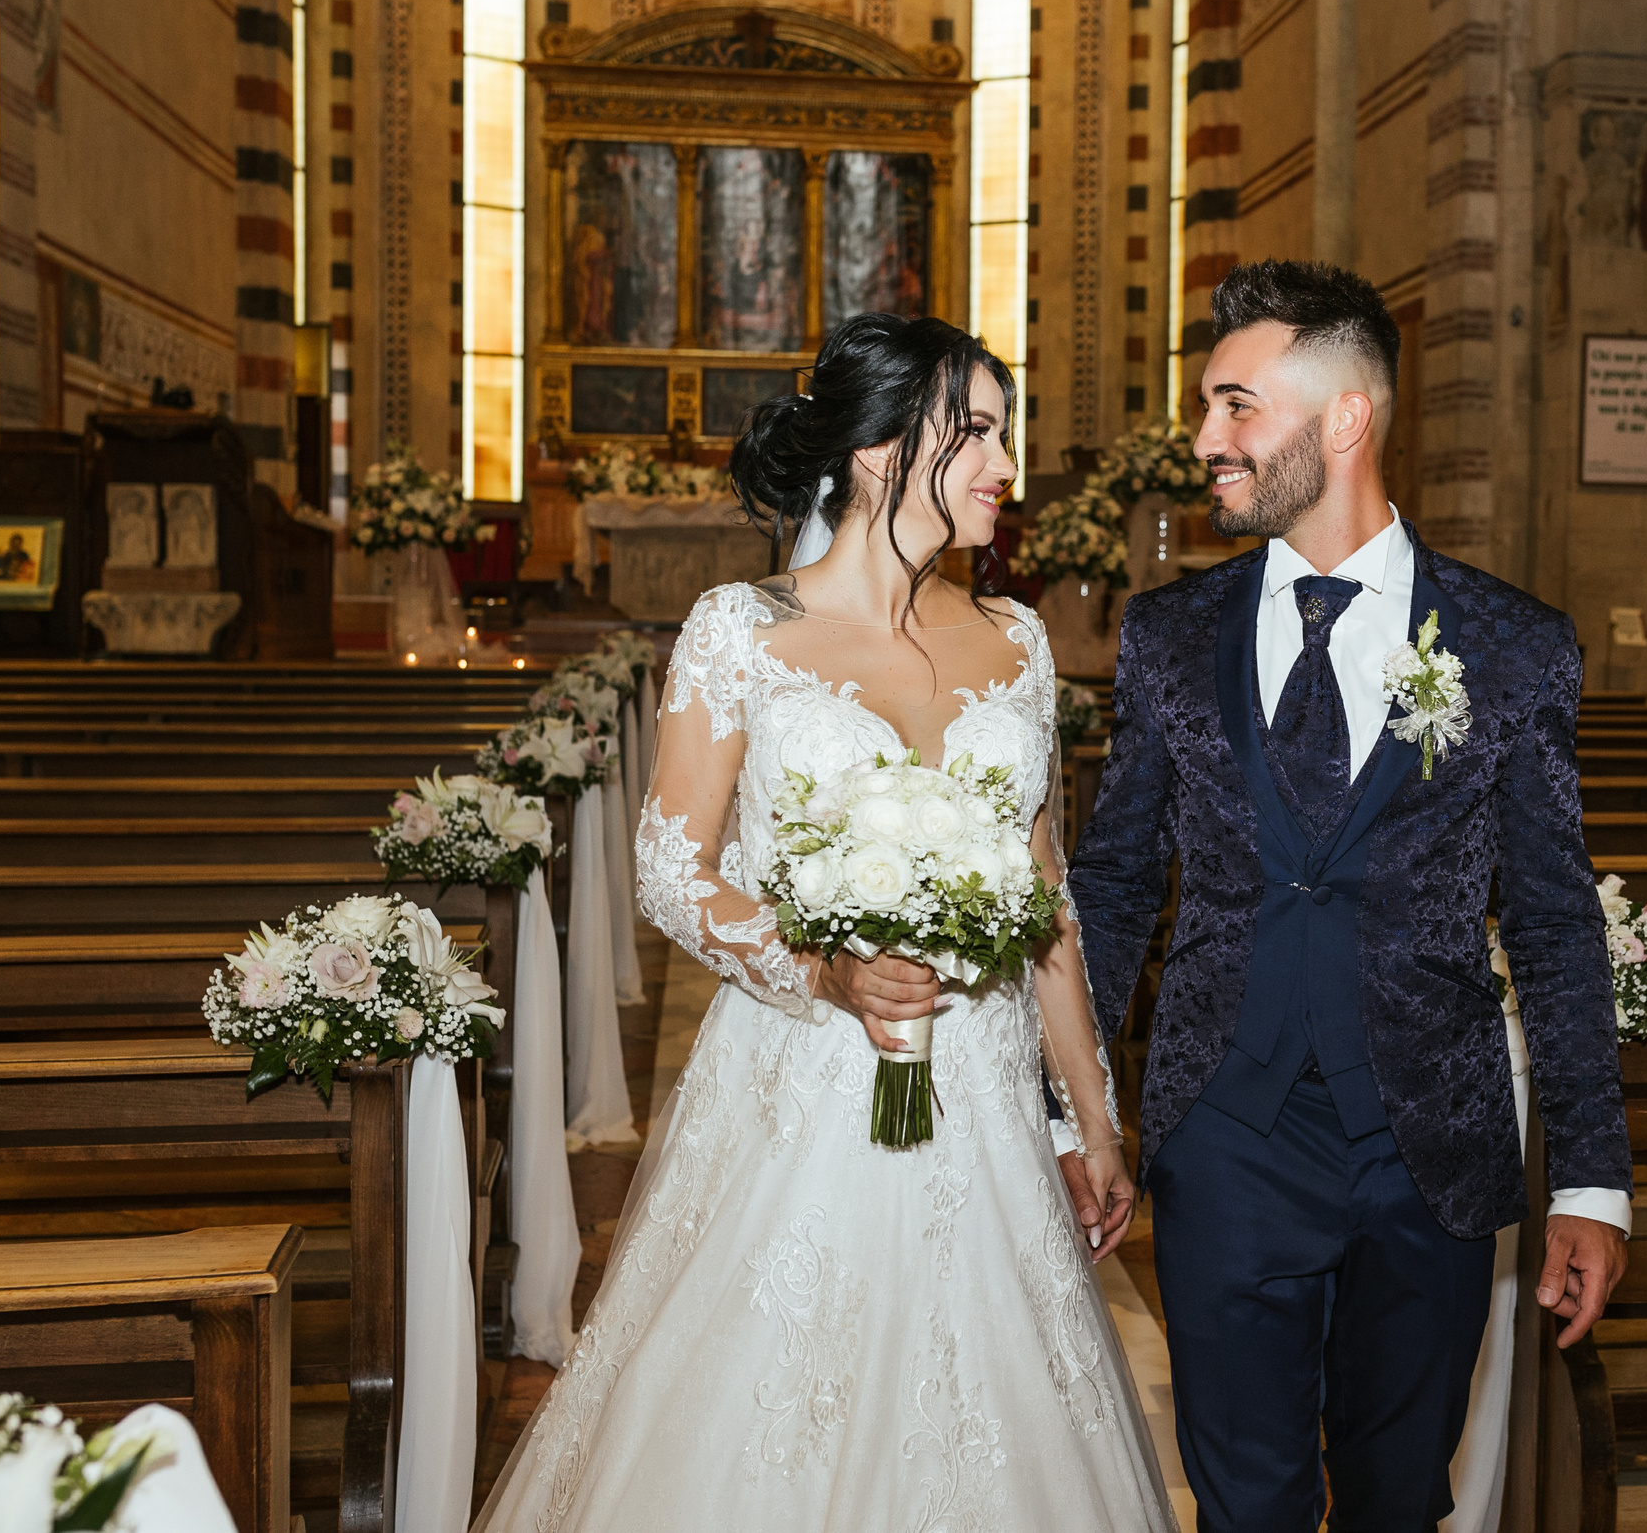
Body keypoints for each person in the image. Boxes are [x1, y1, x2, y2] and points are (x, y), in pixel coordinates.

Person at [472, 314, 1177, 1533]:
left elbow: (1046, 901)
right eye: (976, 435)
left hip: (987, 1104)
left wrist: (1089, 1117)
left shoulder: (1015, 641)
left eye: (1002, 436)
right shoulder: (740, 629)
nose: (1006, 467)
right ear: (878, 452)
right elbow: (671, 869)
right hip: (804, 1084)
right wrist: (821, 970)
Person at [1067, 260, 1632, 1532]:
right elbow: (1112, 886)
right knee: (1246, 1505)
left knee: (1394, 1502)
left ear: (1345, 419)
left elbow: (1552, 922)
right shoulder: (1168, 635)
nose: (1205, 440)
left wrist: (1589, 1183)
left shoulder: (1512, 645)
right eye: (1207, 409)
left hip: (1429, 1149)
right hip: (1226, 1134)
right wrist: (1076, 1108)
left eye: (1236, 406)